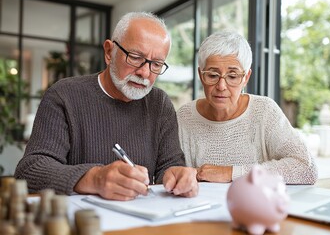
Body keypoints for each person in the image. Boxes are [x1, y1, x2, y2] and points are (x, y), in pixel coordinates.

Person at [14, 12, 198, 200]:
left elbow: (169, 166)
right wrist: (93, 178)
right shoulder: (64, 95)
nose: (144, 72)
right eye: (135, 57)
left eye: (156, 64)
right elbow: (30, 170)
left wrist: (176, 176)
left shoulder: (160, 104)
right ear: (109, 52)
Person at [177, 31, 318, 184]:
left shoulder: (264, 111)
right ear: (201, 75)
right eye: (212, 75)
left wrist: (231, 173)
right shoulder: (184, 117)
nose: (221, 86)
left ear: (246, 78)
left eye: (232, 76)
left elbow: (307, 168)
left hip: (255, 206)